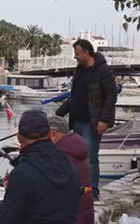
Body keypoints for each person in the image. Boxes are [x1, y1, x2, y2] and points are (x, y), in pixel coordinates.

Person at [56, 39, 117, 200]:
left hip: (93, 122)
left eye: (77, 54)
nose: (75, 57)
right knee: (76, 157)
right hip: (76, 121)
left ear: (86, 52)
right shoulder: (79, 70)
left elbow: (111, 96)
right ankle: (78, 189)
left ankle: (93, 192)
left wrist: (103, 120)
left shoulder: (104, 71)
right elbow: (74, 95)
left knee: (90, 158)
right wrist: (58, 114)